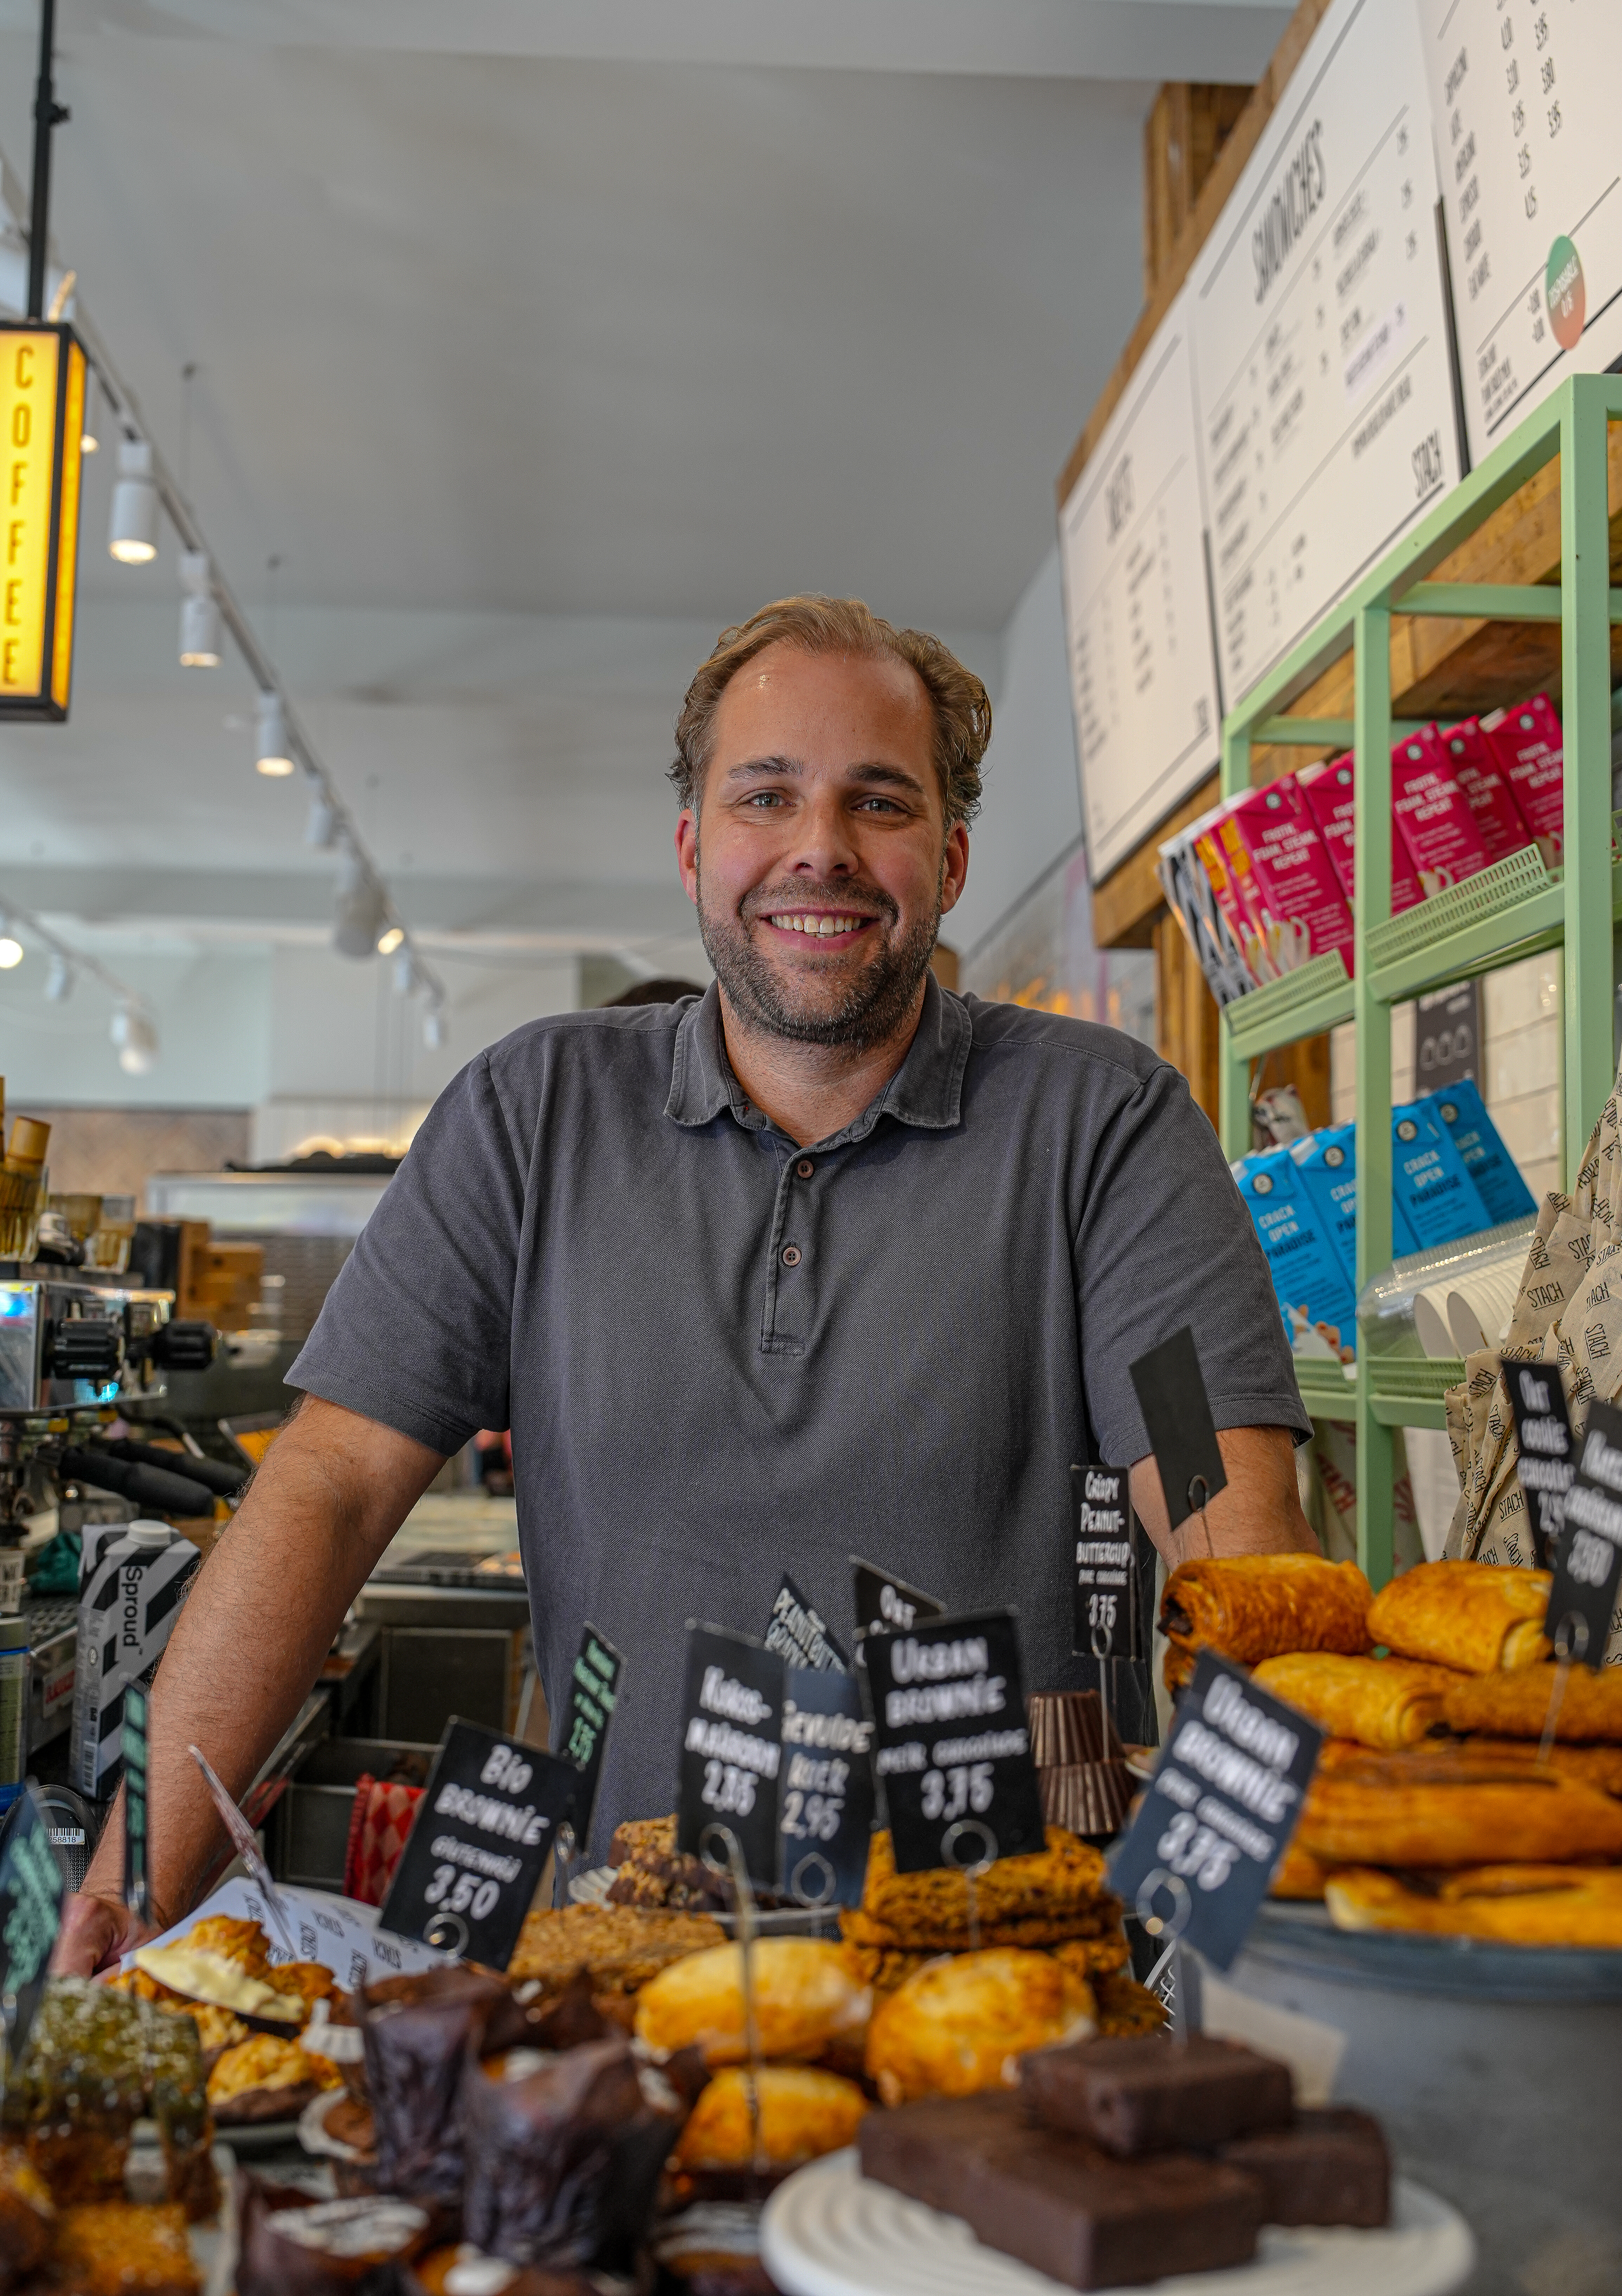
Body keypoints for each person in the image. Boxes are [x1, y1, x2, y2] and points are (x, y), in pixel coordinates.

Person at [56, 594, 1313, 1972]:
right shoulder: (532, 1115)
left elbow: (1207, 1493)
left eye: (878, 803)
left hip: (1008, 1968)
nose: (818, 850)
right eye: (764, 796)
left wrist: (1247, 1930)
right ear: (693, 847)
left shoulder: (1102, 1119)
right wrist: (134, 1888)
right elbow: (333, 1481)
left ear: (949, 860)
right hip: (615, 1960)